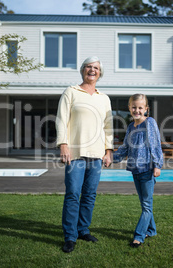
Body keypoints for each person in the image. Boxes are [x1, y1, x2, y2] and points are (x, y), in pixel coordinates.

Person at [56, 56, 113, 253]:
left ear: (100, 72)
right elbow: (61, 120)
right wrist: (63, 144)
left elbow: (108, 127)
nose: (92, 70)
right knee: (73, 194)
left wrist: (108, 151)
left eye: (96, 67)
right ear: (82, 70)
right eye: (89, 67)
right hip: (76, 153)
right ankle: (70, 236)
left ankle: (82, 229)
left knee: (89, 195)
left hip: (97, 154)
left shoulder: (104, 98)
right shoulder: (71, 92)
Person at [113, 93, 163, 248]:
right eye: (134, 107)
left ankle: (139, 236)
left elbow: (155, 144)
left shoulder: (150, 123)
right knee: (144, 204)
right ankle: (152, 230)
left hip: (148, 170)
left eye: (140, 108)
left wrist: (157, 165)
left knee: (147, 205)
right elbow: (125, 147)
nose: (137, 110)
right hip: (136, 170)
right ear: (129, 108)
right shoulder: (130, 127)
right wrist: (110, 158)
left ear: (146, 109)